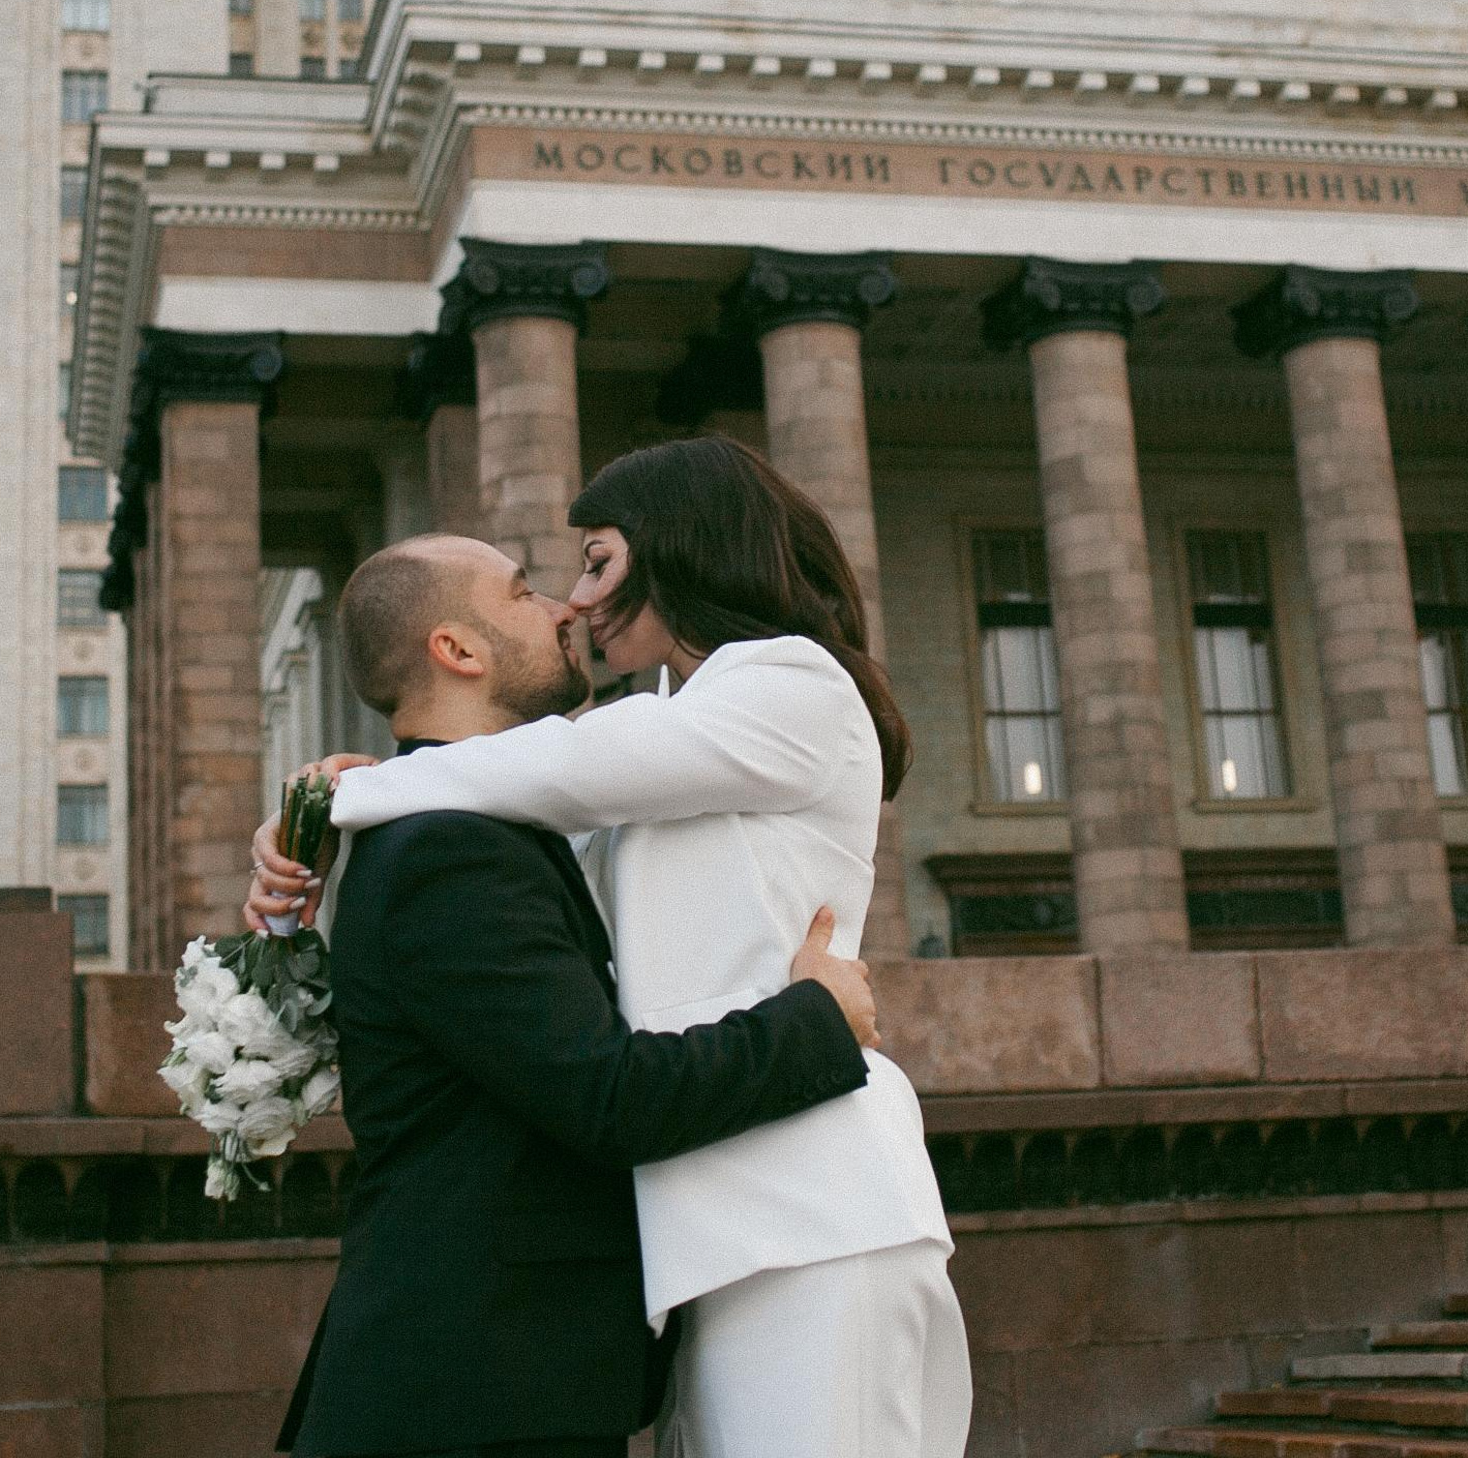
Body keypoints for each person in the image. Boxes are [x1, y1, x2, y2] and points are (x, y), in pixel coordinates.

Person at [252, 438, 971, 1458]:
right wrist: (327, 808)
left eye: (596, 562)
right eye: (548, 582)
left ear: (677, 547)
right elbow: (525, 796)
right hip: (710, 1227)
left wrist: (341, 800)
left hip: (816, 1205)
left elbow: (562, 771)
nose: (576, 603)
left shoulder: (790, 681)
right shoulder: (670, 733)